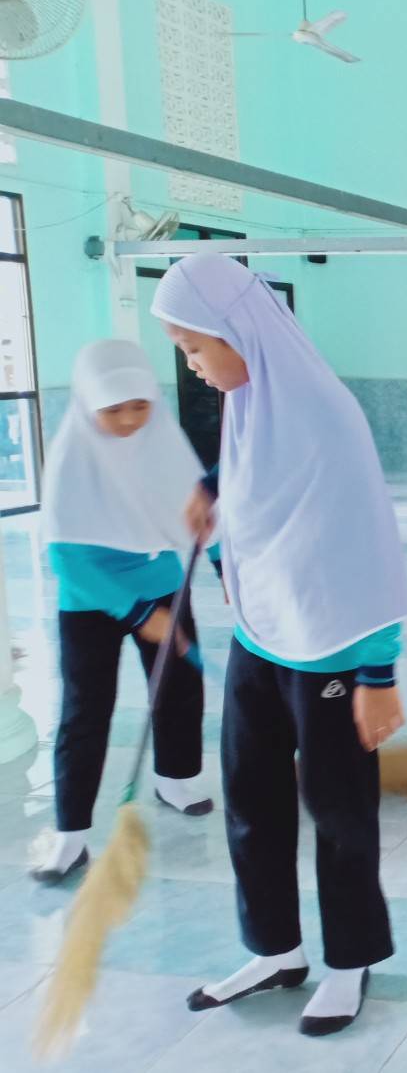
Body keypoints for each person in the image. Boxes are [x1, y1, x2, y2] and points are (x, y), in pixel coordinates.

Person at [152, 253, 407, 1037]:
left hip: (332, 652)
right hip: (261, 640)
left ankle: (349, 960)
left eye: (195, 347)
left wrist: (378, 673)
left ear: (237, 331)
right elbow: (253, 495)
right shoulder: (249, 406)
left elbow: (369, 544)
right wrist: (214, 499)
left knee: (338, 812)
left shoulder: (326, 416)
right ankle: (275, 949)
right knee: (251, 798)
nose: (192, 366)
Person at [31, 340, 213, 884]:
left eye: (140, 405)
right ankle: (70, 834)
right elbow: (66, 560)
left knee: (179, 686)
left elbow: (202, 510)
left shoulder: (163, 441)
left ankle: (175, 778)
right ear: (88, 405)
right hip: (91, 598)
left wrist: (225, 564)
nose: (130, 420)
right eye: (113, 409)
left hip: (161, 585)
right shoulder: (70, 457)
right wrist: (136, 615)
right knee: (86, 710)